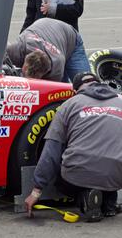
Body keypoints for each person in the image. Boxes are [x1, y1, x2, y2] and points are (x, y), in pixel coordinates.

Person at [25, 72, 122, 222]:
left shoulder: (69, 105)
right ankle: (109, 204)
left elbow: (51, 152)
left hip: (78, 174)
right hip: (116, 175)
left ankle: (85, 197)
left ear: (75, 91)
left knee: (65, 169)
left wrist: (36, 192)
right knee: (111, 157)